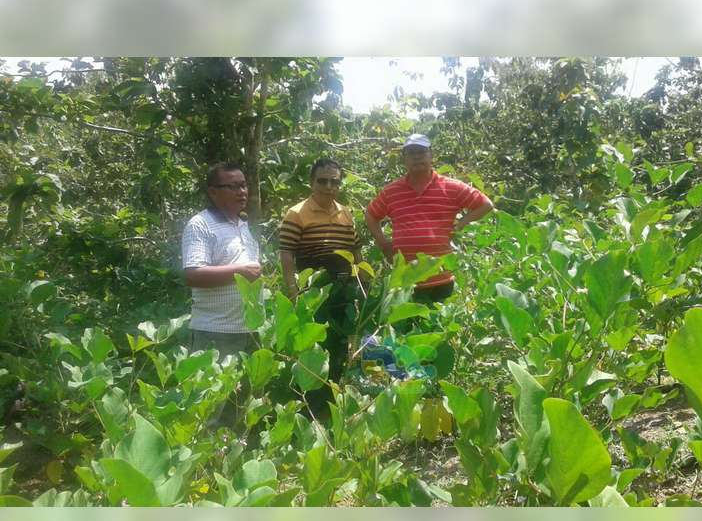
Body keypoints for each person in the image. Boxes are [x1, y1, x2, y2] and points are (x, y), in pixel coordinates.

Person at [365, 133, 494, 304]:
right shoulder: (392, 191)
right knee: (406, 327)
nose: (416, 157)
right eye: (411, 153)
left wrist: (461, 223)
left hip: (441, 277)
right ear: (404, 159)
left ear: (431, 155)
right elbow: (371, 215)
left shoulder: (451, 187)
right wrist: (383, 243)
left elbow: (486, 204)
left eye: (421, 152)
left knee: (441, 326)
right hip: (404, 281)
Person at [279, 157, 361, 415]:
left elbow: (355, 249)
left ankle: (335, 402)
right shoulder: (297, 213)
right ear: (311, 182)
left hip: (343, 290)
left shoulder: (345, 213)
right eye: (322, 181)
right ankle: (312, 406)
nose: (328, 186)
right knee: (314, 349)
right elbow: (287, 254)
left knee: (340, 345)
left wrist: (362, 281)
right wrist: (294, 291)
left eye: (334, 181)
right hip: (312, 291)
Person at [181, 162, 261, 357]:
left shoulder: (243, 224)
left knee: (249, 388)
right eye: (233, 187)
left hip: (250, 331)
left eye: (243, 185)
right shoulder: (200, 224)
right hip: (215, 332)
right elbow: (193, 275)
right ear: (213, 192)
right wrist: (240, 272)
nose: (241, 192)